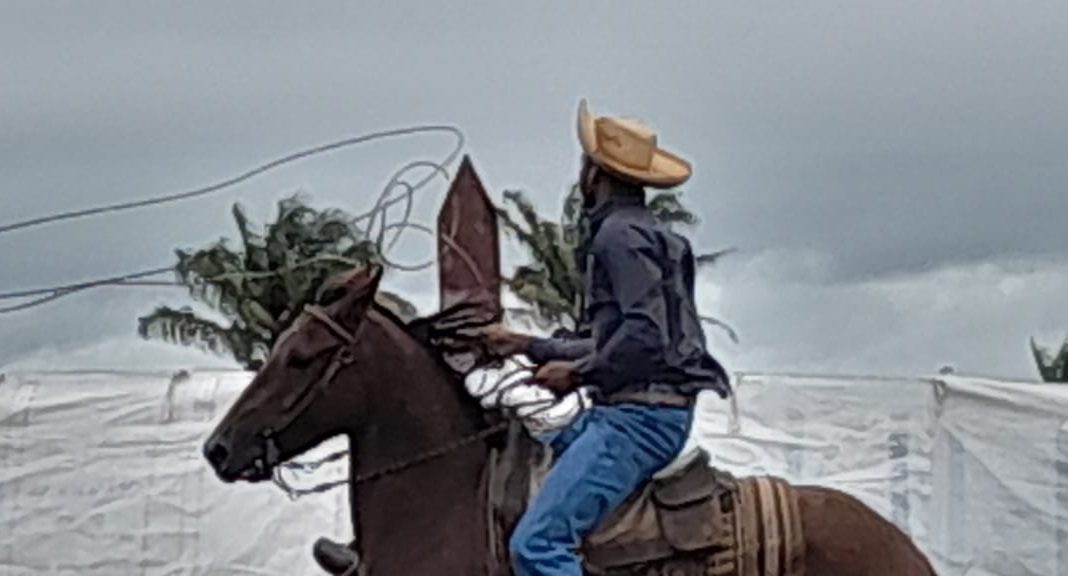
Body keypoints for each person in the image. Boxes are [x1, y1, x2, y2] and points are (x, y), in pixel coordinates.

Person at [478, 99, 731, 576]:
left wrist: (575, 374)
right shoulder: (651, 233)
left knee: (536, 545)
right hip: (644, 413)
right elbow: (616, 338)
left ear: (593, 174)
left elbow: (644, 334)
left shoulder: (616, 236)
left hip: (635, 421)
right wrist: (526, 345)